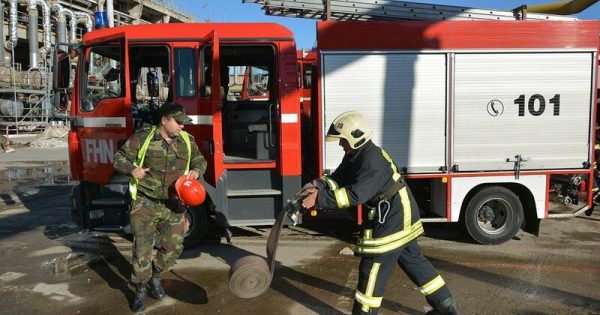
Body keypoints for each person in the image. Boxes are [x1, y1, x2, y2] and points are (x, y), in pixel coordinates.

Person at [302, 111, 459, 315]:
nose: (341, 145)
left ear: (355, 138)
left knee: (372, 268)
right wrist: (319, 184)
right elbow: (340, 178)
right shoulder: (358, 155)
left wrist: (320, 199)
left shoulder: (371, 162)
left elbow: (354, 195)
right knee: (413, 260)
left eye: (343, 140)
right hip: (399, 212)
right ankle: (446, 306)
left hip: (394, 217)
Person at [113, 102, 207, 312]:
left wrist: (197, 172)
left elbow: (200, 160)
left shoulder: (186, 140)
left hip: (173, 204)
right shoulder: (142, 137)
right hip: (145, 203)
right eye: (178, 122)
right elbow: (119, 158)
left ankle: (155, 275)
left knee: (174, 247)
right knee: (142, 249)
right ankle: (140, 289)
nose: (182, 126)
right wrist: (132, 170)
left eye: (183, 123)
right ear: (164, 119)